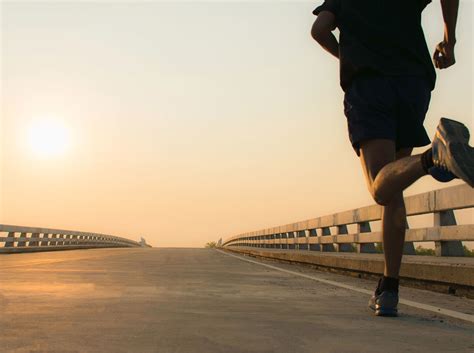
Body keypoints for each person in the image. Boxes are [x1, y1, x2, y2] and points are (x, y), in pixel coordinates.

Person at [311, 0, 473, 317]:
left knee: (380, 187)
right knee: (396, 182)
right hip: (414, 81)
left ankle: (433, 158)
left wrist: (347, 55)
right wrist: (449, 40)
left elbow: (319, 30)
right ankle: (389, 289)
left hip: (369, 82)